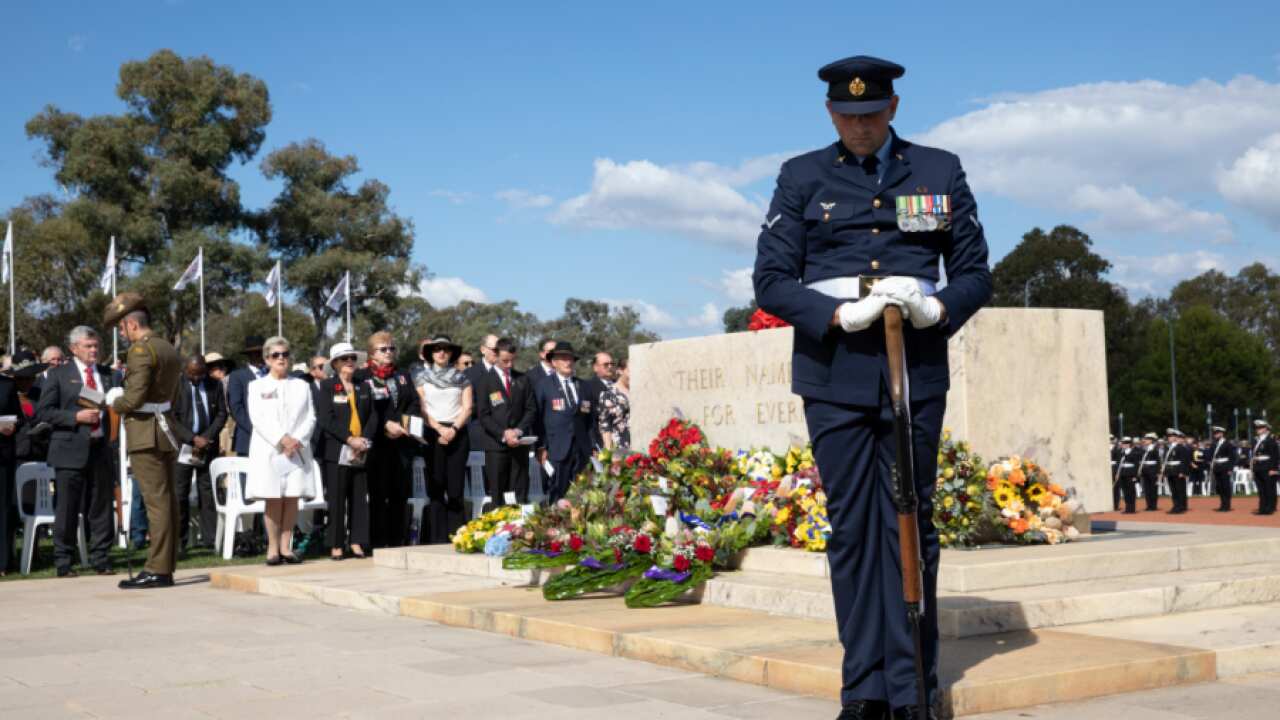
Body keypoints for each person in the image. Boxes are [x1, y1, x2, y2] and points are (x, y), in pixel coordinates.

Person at [752, 55, 992, 720]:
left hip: (912, 364)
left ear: (892, 109)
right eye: (847, 116)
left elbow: (974, 272)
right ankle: (862, 687)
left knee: (911, 522)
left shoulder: (939, 169)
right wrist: (832, 314)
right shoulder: (801, 176)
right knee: (853, 530)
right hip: (834, 370)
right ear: (831, 114)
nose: (860, 127)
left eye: (871, 115)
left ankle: (915, 683)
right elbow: (771, 278)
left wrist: (937, 309)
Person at [106, 294, 183, 589]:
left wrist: (115, 402)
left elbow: (135, 397)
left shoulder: (140, 351)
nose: (122, 335)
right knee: (168, 502)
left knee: (156, 503)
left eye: (121, 329)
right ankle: (166, 565)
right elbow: (173, 395)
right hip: (164, 429)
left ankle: (158, 569)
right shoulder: (166, 348)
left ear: (130, 324)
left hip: (145, 433)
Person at [35, 326, 119, 577]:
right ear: (74, 349)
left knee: (101, 506)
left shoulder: (108, 375)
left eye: (96, 346)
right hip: (69, 449)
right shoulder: (59, 375)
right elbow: (44, 412)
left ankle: (101, 558)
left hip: (100, 448)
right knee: (68, 507)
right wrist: (75, 416)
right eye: (88, 346)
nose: (94, 350)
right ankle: (63, 560)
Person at [244, 336, 316, 565]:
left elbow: (311, 417)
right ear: (267, 359)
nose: (281, 359)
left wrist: (297, 440)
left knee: (292, 497)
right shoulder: (256, 386)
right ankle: (273, 548)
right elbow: (258, 418)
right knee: (273, 498)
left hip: (297, 450)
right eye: (275, 355)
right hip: (270, 450)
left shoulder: (302, 386)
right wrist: (282, 439)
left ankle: (287, 547)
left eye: (284, 354)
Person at [356, 331, 420, 548]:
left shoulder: (403, 375)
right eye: (383, 349)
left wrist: (402, 424)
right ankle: (378, 541)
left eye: (392, 348)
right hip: (377, 443)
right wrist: (385, 424)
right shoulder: (362, 377)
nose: (389, 352)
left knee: (400, 493)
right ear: (372, 354)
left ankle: (397, 539)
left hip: (401, 442)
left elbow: (413, 403)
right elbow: (365, 409)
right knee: (378, 494)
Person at [314, 342, 376, 560]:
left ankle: (357, 541)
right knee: (338, 499)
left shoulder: (364, 386)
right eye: (344, 359)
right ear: (335, 363)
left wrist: (363, 441)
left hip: (361, 450)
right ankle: (336, 544)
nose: (350, 362)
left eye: (352, 358)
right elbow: (325, 419)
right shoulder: (328, 386)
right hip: (337, 450)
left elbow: (372, 417)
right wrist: (349, 439)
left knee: (359, 498)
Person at [416, 335, 472, 543]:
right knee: (436, 488)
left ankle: (458, 536)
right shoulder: (421, 377)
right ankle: (436, 537)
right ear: (431, 353)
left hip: (457, 433)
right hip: (432, 433)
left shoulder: (462, 378)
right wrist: (439, 428)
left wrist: (454, 429)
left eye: (446, 349)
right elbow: (421, 408)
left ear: (451, 353)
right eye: (437, 349)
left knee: (456, 489)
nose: (441, 353)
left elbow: (467, 407)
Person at [171, 355, 227, 551]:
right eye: (192, 374)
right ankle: (180, 541)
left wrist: (206, 437)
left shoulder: (215, 385)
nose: (196, 378)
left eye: (200, 374)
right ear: (185, 369)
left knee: (208, 492)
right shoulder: (175, 385)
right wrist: (192, 438)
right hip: (183, 447)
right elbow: (171, 417)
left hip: (208, 446)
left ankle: (210, 539)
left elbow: (222, 413)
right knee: (180, 494)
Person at [475, 337, 535, 505]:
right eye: (505, 361)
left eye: (512, 360)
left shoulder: (523, 379)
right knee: (497, 494)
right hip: (496, 446)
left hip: (519, 445)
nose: (509, 365)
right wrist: (503, 433)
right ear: (495, 355)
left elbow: (531, 410)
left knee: (521, 493)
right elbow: (483, 415)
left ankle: (523, 528)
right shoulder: (484, 381)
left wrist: (517, 431)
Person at [534, 342, 591, 503]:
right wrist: (541, 446)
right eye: (563, 358)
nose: (568, 362)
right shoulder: (544, 385)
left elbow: (590, 419)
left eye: (570, 358)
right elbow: (537, 419)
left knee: (581, 493)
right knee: (557, 491)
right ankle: (555, 527)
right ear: (554, 362)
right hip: (556, 449)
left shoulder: (584, 386)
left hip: (581, 450)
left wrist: (592, 446)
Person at [0, 368, 24, 575]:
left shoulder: (7, 385)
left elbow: (20, 417)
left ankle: (4, 561)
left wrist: (12, 425)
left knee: (3, 508)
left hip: (3, 455)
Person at [226, 336, 267, 458]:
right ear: (249, 355)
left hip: (273, 441)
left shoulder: (273, 374)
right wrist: (257, 429)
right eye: (256, 353)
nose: (260, 356)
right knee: (248, 476)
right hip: (248, 437)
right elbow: (236, 407)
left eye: (262, 353)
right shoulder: (237, 376)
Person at [581, 352, 616, 450]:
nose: (610, 367)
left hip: (620, 441)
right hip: (600, 442)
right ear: (595, 367)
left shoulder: (618, 385)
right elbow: (584, 416)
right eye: (606, 364)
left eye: (611, 364)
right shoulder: (586, 387)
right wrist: (593, 444)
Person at [598, 358, 631, 450]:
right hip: (620, 448)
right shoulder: (608, 394)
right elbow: (605, 426)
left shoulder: (639, 391)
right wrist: (609, 452)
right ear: (620, 371)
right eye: (630, 371)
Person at [1161, 429, 1191, 514]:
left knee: (1180, 490)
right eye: (1169, 437)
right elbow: (1166, 461)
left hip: (1178, 471)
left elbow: (1184, 461)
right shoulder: (1168, 448)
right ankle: (1175, 506)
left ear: (1175, 437)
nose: (1169, 438)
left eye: (1171, 436)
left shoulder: (1180, 447)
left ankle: (1180, 507)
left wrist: (1183, 472)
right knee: (1173, 490)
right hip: (1170, 471)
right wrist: (1164, 472)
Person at [1207, 426, 1237, 512]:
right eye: (1215, 433)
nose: (1215, 435)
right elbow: (1210, 455)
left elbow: (1232, 457)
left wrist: (1230, 469)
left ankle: (1227, 506)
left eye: (1217, 433)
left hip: (1225, 467)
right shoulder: (1214, 444)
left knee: (1225, 487)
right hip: (1217, 467)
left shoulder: (1227, 444)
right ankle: (1222, 504)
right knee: (1219, 487)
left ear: (1222, 433)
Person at [1251, 420, 1277, 515]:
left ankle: (1269, 508)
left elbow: (1275, 456)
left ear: (1265, 429)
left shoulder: (1270, 440)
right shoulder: (1256, 440)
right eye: (1257, 428)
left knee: (1268, 489)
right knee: (1261, 490)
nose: (1258, 429)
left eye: (1260, 427)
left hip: (1267, 466)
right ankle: (1262, 508)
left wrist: (1273, 469)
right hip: (1258, 467)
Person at [1137, 433, 1161, 511]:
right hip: (1145, 470)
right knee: (1147, 489)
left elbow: (1158, 461)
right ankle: (1148, 505)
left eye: (1147, 439)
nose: (1145, 441)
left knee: (1153, 489)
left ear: (1151, 440)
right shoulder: (1144, 449)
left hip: (1153, 470)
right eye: (1145, 439)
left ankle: (1153, 506)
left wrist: (1158, 472)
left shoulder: (1155, 449)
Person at [1115, 437, 1139, 514]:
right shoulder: (1121, 453)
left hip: (1130, 475)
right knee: (1125, 492)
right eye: (1123, 443)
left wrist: (1135, 476)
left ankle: (1132, 508)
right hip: (1123, 474)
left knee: (1131, 491)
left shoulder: (1134, 453)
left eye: (1125, 443)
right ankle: (1127, 508)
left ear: (1129, 444)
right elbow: (1119, 465)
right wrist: (1117, 474)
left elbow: (1136, 465)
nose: (1124, 445)